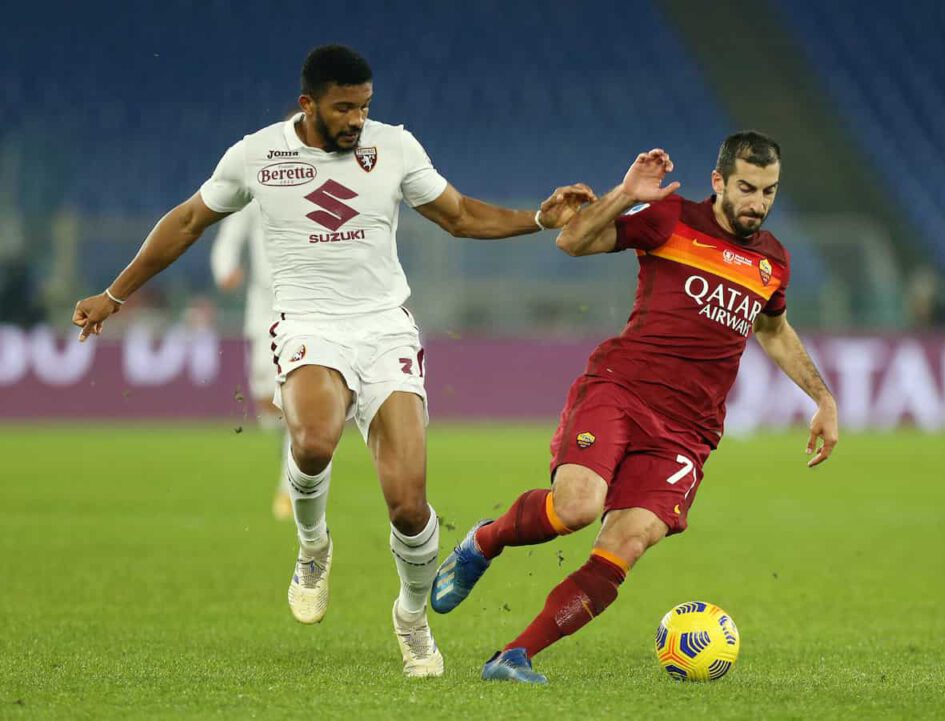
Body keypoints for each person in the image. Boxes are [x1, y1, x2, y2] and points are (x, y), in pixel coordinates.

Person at [71, 44, 594, 678]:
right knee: (314, 442)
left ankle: (410, 616)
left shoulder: (394, 148)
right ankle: (313, 546)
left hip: (384, 331)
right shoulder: (258, 154)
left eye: (364, 106)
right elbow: (186, 222)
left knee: (407, 504)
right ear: (308, 104)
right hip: (307, 326)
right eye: (344, 108)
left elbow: (459, 216)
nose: (356, 120)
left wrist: (540, 217)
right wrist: (115, 293)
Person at [430, 133, 840, 684]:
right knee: (575, 508)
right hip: (622, 390)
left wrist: (823, 397)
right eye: (746, 188)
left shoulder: (772, 260)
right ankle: (484, 541)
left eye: (768, 192)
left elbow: (774, 330)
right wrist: (625, 193)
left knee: (627, 541)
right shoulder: (671, 217)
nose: (757, 203)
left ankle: (514, 655)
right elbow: (571, 241)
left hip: (688, 431)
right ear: (719, 182)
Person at [210, 203, 294, 520]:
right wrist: (225, 267)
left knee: (293, 398)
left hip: (304, 302)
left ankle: (288, 483)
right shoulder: (256, 180)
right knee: (263, 389)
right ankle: (292, 444)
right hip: (263, 304)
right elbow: (230, 234)